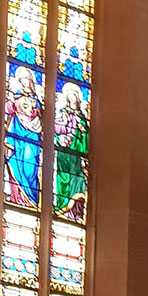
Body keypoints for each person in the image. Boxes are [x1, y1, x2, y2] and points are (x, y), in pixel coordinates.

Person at [5, 67, 43, 207]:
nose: (26, 82)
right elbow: (9, 108)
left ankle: (32, 200)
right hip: (17, 133)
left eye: (28, 80)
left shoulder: (36, 100)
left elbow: (39, 115)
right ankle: (16, 197)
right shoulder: (17, 96)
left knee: (29, 167)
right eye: (23, 80)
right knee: (15, 162)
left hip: (32, 136)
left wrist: (34, 110)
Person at [54, 83, 88, 219]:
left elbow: (87, 135)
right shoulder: (62, 113)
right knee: (63, 176)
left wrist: (83, 129)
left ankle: (75, 211)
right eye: (70, 95)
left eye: (74, 95)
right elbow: (56, 129)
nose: (72, 98)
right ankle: (62, 204)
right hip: (63, 149)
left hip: (76, 151)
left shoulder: (82, 117)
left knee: (77, 177)